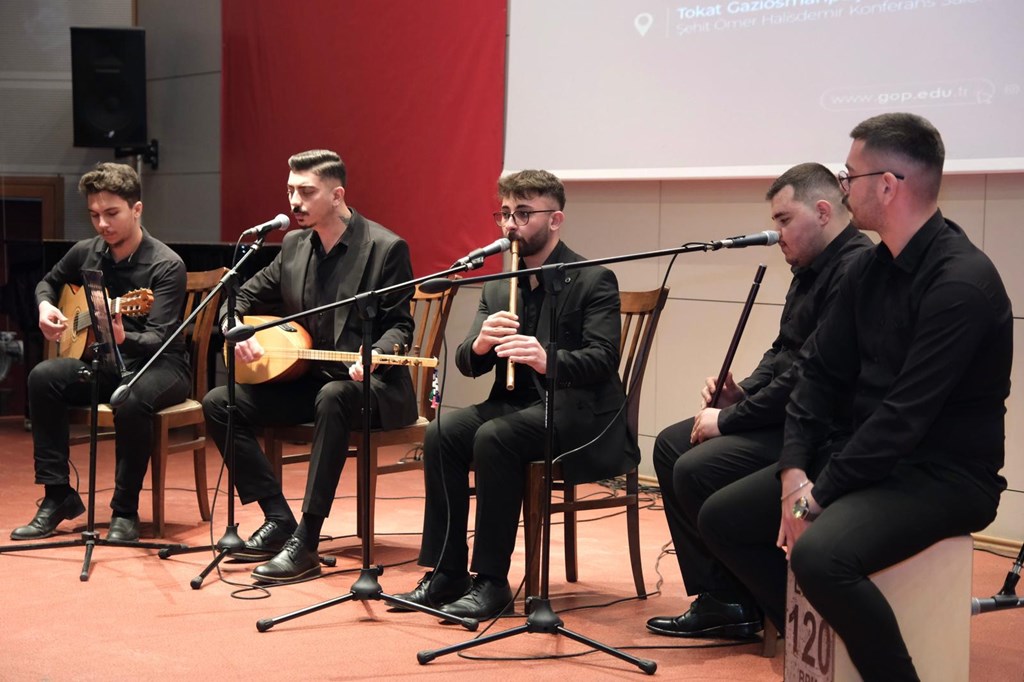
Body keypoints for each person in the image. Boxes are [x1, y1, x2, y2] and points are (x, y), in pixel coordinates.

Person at [699, 113, 1011, 680]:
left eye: (851, 175)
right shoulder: (869, 267)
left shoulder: (961, 282)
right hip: (865, 459)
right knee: (722, 517)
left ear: (888, 186)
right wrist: (794, 473)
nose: (843, 187)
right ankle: (821, 650)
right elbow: (816, 376)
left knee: (821, 556)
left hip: (942, 475)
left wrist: (813, 500)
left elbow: (903, 419)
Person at [395, 169, 640, 620]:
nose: (511, 225)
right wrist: (481, 343)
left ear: (555, 220)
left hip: (579, 413)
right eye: (505, 213)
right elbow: (467, 361)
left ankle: (491, 582)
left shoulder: (593, 279)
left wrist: (548, 359)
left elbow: (603, 359)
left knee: (495, 437)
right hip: (516, 406)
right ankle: (447, 572)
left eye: (523, 214)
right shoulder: (498, 286)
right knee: (442, 432)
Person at [645, 163, 873, 638]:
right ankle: (723, 597)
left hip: (821, 428)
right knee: (670, 444)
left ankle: (761, 602)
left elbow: (810, 377)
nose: (777, 233)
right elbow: (782, 351)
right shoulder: (808, 264)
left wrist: (729, 419)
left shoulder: (855, 269)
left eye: (784, 220)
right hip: (786, 415)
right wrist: (742, 392)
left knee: (694, 467)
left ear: (823, 212)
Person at [201, 149, 417, 583]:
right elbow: (240, 296)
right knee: (220, 402)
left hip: (371, 388)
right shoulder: (295, 246)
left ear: (337, 195)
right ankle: (278, 518)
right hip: (307, 382)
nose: (294, 201)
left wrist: (376, 354)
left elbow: (400, 325)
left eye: (306, 191)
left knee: (334, 396)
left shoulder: (385, 248)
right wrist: (233, 326)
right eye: (290, 191)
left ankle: (307, 541)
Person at [12, 162, 191, 542]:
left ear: (136, 209)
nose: (102, 224)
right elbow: (48, 282)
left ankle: (124, 509)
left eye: (112, 213)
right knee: (43, 377)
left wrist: (123, 337)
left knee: (130, 398)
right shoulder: (86, 252)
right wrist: (45, 307)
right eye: (94, 215)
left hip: (161, 365)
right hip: (106, 361)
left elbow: (159, 338)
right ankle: (57, 495)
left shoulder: (166, 264)